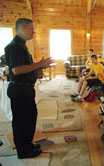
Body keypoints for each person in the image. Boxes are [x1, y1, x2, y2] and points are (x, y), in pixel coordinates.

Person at [5, 18, 53, 159]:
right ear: (22, 28)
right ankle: (24, 151)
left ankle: (27, 144)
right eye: (31, 28)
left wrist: (37, 70)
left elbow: (25, 68)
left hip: (25, 89)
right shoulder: (15, 46)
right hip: (20, 90)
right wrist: (38, 64)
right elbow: (17, 70)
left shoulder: (22, 45)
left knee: (30, 118)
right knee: (21, 122)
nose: (34, 31)